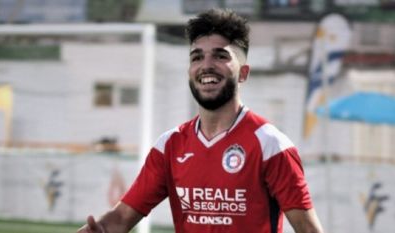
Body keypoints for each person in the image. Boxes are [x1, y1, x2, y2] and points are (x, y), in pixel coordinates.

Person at [77, 8, 323, 233]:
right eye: (196, 57)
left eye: (220, 56)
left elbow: (309, 230)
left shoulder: (271, 145)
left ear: (243, 73)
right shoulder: (169, 146)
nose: (206, 66)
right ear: (189, 71)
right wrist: (99, 230)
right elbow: (120, 219)